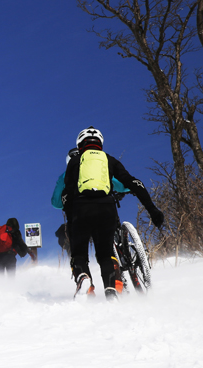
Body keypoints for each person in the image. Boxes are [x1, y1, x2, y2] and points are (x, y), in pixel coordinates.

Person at [61, 127, 164, 300]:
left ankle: (84, 279)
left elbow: (67, 194)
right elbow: (134, 182)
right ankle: (111, 291)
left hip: (81, 208)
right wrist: (153, 210)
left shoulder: (75, 161)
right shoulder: (109, 160)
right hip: (106, 209)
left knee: (79, 253)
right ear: (100, 143)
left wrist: (72, 221)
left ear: (80, 144)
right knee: (105, 254)